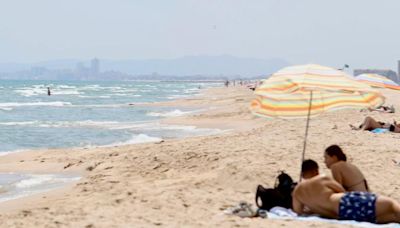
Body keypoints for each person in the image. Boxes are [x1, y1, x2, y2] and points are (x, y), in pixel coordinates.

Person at [293, 159, 400, 223]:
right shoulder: (322, 178)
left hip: (342, 214)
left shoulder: (297, 192)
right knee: (391, 204)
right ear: (315, 170)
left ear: (302, 174)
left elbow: (299, 211)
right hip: (344, 203)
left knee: (388, 217)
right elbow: (341, 191)